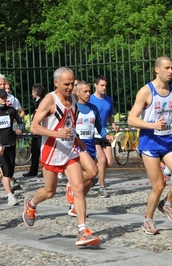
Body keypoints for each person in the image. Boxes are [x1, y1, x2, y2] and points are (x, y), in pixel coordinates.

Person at [23, 67, 100, 246]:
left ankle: (82, 231)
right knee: (49, 192)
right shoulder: (49, 100)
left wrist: (78, 139)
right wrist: (57, 134)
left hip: (70, 150)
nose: (70, 87)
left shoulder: (73, 98)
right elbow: (34, 127)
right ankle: (31, 203)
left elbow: (69, 123)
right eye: (66, 84)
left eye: (72, 83)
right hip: (52, 151)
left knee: (79, 187)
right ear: (56, 83)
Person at [128, 56, 172, 235]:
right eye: (167, 68)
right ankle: (148, 220)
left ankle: (167, 203)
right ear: (157, 70)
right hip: (149, 143)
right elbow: (131, 118)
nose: (170, 71)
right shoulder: (146, 91)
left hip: (168, 141)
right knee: (158, 185)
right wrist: (151, 125)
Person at [66, 80, 113, 216]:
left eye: (89, 91)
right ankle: (71, 187)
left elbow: (99, 127)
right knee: (92, 172)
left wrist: (106, 135)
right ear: (77, 92)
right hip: (77, 145)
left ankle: (75, 205)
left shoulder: (93, 108)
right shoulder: (73, 108)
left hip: (90, 144)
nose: (88, 94)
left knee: (89, 179)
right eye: (85, 91)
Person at [89, 75, 119, 197]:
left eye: (105, 85)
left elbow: (109, 116)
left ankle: (93, 175)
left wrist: (113, 125)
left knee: (109, 162)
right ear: (95, 85)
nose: (104, 87)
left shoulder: (108, 100)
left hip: (104, 132)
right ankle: (102, 188)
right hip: (93, 132)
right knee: (101, 160)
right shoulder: (89, 99)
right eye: (102, 85)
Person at [0, 75, 26, 192]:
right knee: (5, 169)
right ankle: (10, 195)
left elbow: (21, 116)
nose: (3, 99)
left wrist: (19, 127)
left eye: (3, 84)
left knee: (9, 169)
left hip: (10, 139)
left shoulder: (11, 104)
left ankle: (9, 181)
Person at [23, 84, 46, 177]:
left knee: (41, 151)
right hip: (36, 132)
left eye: (32, 91)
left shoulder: (41, 102)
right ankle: (33, 170)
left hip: (40, 131)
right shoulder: (37, 102)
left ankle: (44, 170)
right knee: (35, 151)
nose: (32, 93)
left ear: (35, 92)